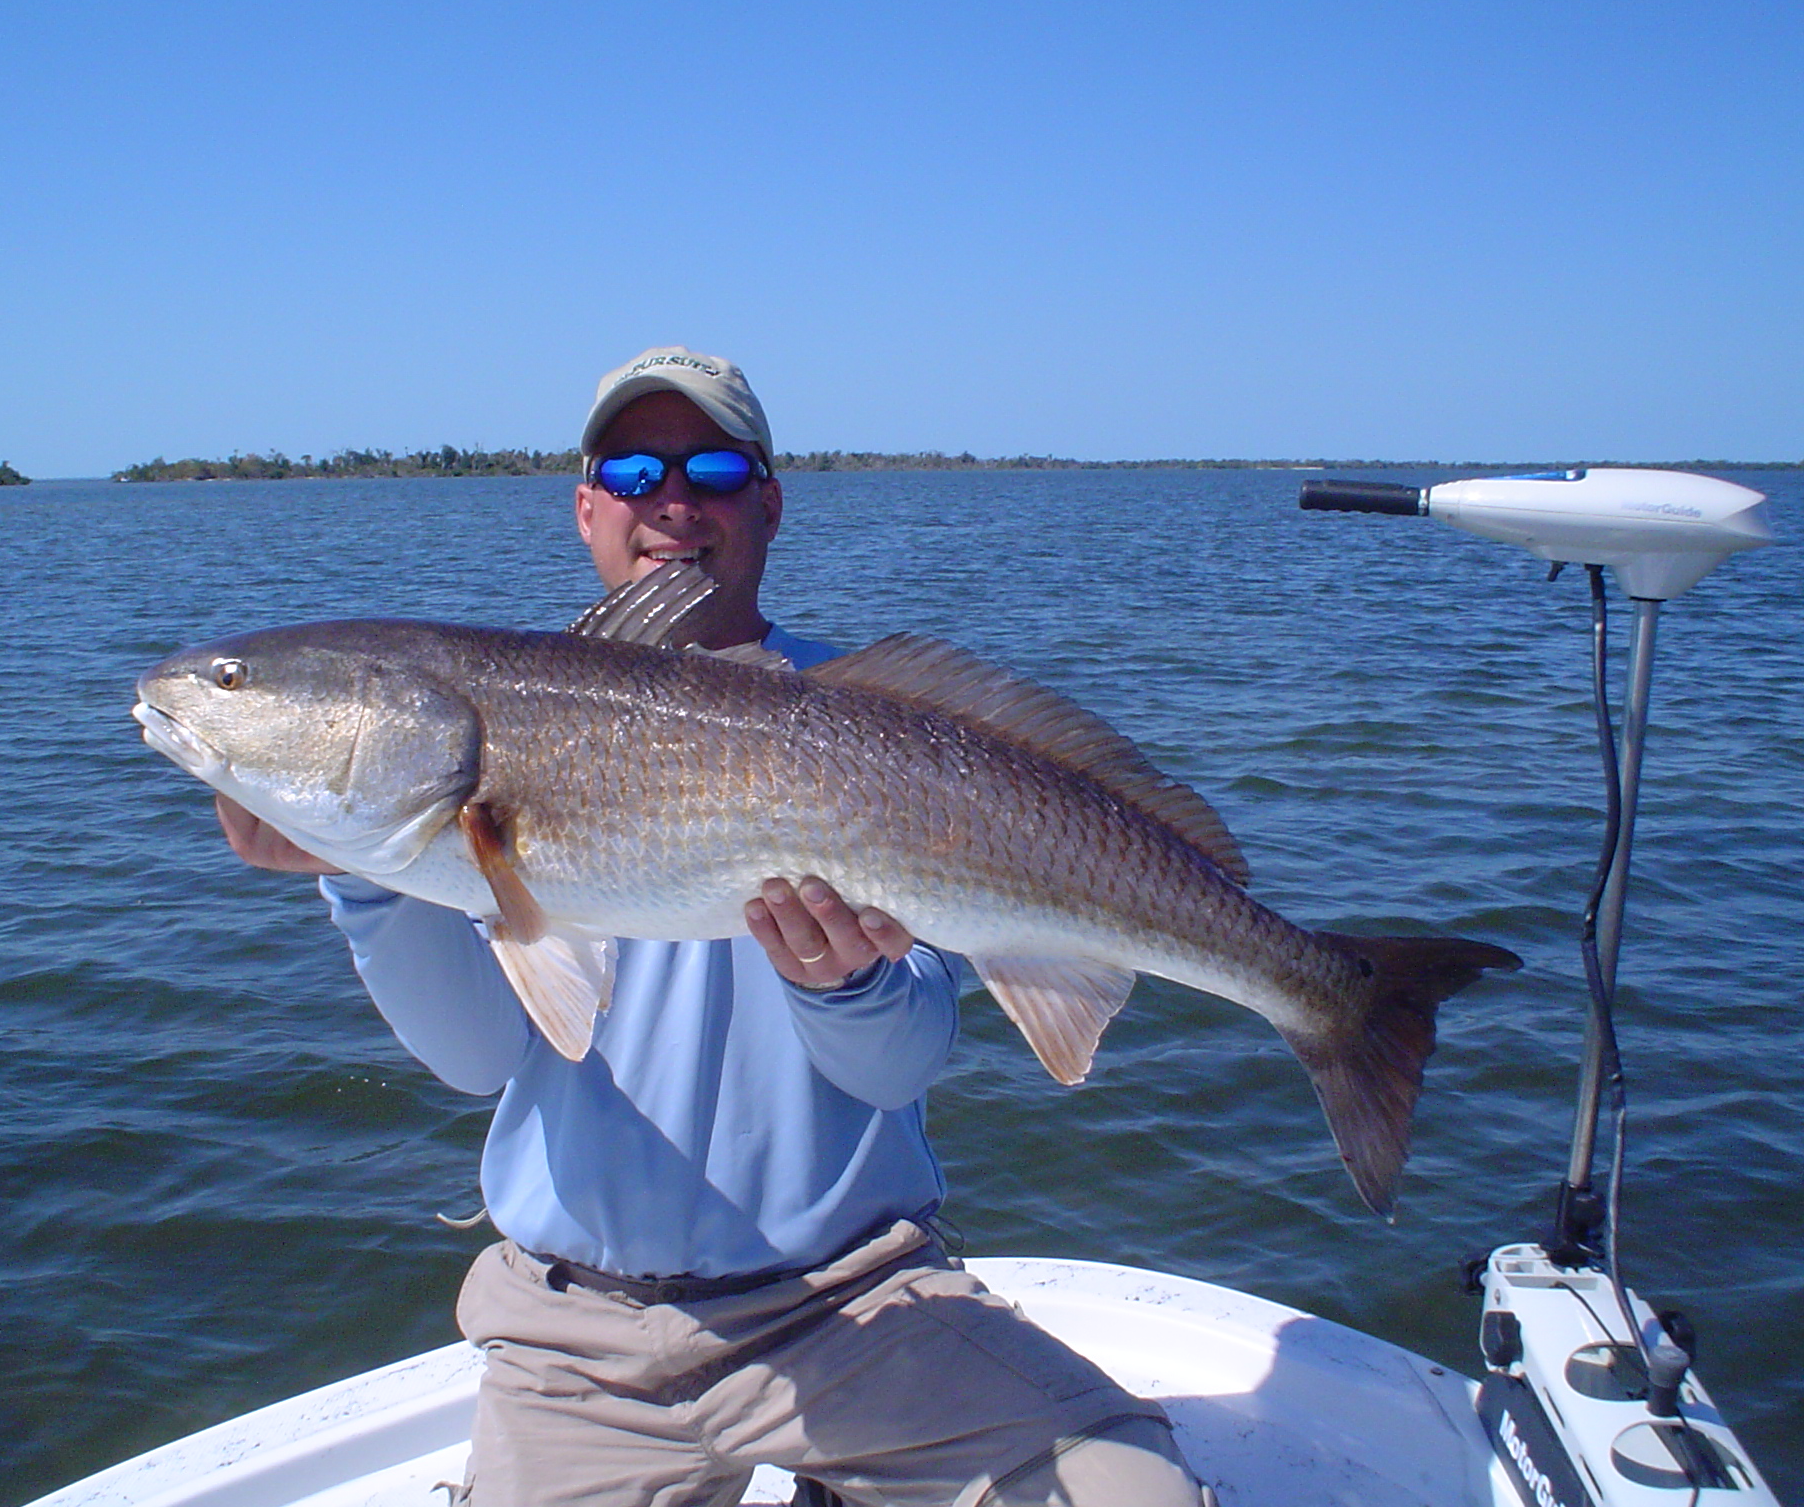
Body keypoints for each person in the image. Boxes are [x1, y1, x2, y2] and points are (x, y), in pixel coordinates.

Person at [216, 347, 1209, 1507]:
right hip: (575, 1343)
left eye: (716, 468)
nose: (672, 501)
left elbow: (901, 1065)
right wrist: (365, 870)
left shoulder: (876, 722)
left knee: (1131, 1496)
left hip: (852, 1306)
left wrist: (845, 987)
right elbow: (477, 1057)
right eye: (633, 470)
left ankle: (1333, 1004)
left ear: (770, 501)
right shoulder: (493, 746)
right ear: (585, 504)